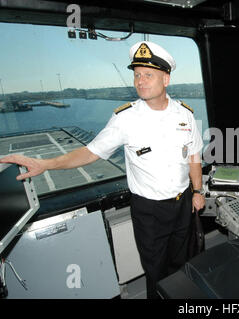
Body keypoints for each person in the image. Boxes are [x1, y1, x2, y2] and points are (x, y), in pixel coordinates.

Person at [0, 41, 206, 299]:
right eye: (137, 75)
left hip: (183, 202)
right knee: (157, 272)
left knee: (182, 265)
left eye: (148, 75)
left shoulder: (184, 114)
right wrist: (45, 164)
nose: (140, 81)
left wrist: (197, 190)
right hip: (150, 211)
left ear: (166, 79)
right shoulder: (125, 118)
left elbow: (194, 155)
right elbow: (90, 152)